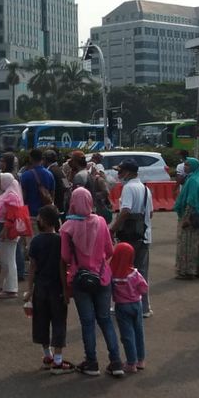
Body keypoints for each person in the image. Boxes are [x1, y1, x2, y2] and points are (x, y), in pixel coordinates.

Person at [62, 187, 122, 377]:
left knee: (87, 322)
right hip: (102, 277)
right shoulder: (101, 221)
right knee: (105, 320)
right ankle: (116, 362)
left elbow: (64, 256)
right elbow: (110, 251)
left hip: (81, 279)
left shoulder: (67, 227)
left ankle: (92, 362)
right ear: (90, 201)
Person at [23, 206, 72, 372]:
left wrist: (29, 290)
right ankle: (58, 359)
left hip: (40, 288)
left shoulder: (36, 241)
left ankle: (47, 354)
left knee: (41, 321)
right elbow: (62, 266)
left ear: (42, 221)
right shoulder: (60, 241)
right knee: (59, 321)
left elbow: (32, 268)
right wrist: (66, 290)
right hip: (57, 286)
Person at [109, 159, 152, 316]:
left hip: (130, 237)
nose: (118, 174)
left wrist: (112, 229)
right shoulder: (145, 189)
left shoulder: (128, 188)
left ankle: (123, 303)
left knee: (123, 271)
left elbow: (125, 210)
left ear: (127, 172)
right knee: (141, 272)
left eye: (120, 171)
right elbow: (151, 213)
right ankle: (144, 307)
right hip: (144, 235)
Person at [109, 241, 149, 373]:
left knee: (127, 335)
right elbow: (144, 288)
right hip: (136, 304)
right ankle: (141, 360)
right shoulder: (134, 274)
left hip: (122, 306)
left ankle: (131, 362)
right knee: (139, 332)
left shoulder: (113, 275)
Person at [173, 157, 199, 279]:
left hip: (190, 217)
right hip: (198, 217)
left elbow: (191, 201)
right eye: (185, 165)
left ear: (193, 167)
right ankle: (198, 269)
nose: (185, 167)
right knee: (196, 244)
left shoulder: (193, 181)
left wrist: (186, 218)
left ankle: (188, 271)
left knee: (187, 244)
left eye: (188, 165)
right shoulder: (194, 178)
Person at [0, 173, 27, 299]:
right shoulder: (8, 193)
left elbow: (11, 216)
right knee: (5, 259)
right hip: (6, 229)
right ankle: (3, 285)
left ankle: (11, 289)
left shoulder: (11, 195)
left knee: (8, 259)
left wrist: (5, 230)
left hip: (7, 230)